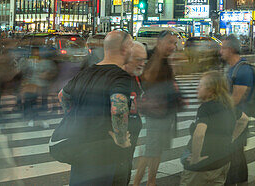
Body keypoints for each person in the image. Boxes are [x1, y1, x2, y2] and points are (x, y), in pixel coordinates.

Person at [59, 30, 134, 185]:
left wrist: (72, 117)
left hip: (80, 148)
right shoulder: (120, 77)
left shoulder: (86, 72)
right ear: (125, 48)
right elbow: (118, 109)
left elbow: (62, 96)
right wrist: (121, 139)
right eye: (132, 45)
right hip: (104, 153)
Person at [180, 71, 249, 186]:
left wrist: (196, 159)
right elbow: (244, 120)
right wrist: (231, 138)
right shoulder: (228, 106)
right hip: (222, 162)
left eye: (201, 85)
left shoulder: (205, 109)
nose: (197, 88)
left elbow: (199, 134)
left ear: (211, 90)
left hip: (202, 167)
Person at [134, 31, 183, 186]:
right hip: (154, 113)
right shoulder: (150, 57)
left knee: (156, 149)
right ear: (159, 41)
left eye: (175, 43)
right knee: (151, 150)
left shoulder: (165, 60)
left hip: (165, 112)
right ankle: (142, 182)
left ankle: (150, 181)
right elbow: (146, 79)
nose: (173, 46)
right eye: (170, 42)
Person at [222, 36, 255, 185]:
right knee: (236, 153)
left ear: (231, 49)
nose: (220, 51)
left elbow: (235, 100)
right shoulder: (233, 68)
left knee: (234, 154)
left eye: (223, 48)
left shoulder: (242, 70)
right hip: (234, 118)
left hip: (238, 120)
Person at [117, 42, 147, 186]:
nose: (142, 63)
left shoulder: (136, 77)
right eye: (138, 59)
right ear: (125, 57)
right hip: (116, 142)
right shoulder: (116, 78)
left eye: (144, 60)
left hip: (131, 137)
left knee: (125, 171)